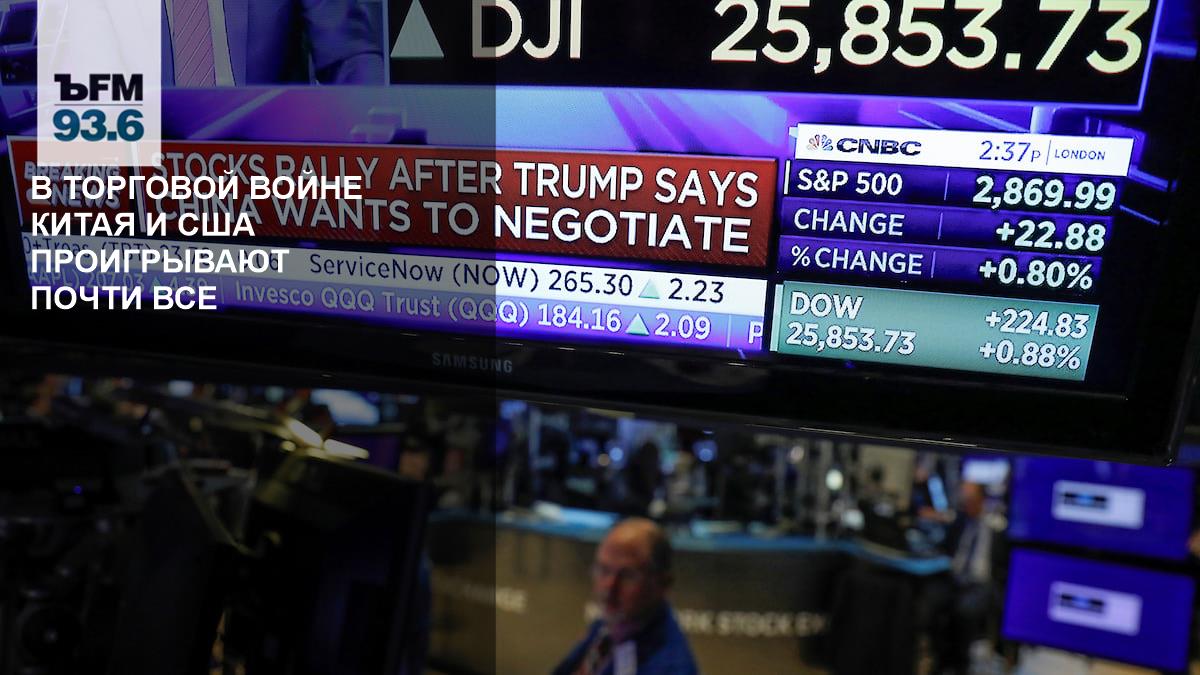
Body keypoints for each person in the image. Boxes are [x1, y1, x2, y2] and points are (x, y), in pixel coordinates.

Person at [553, 518, 698, 675]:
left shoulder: (669, 667)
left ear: (662, 584)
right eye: (604, 569)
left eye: (628, 576)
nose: (609, 587)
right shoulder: (617, 623)